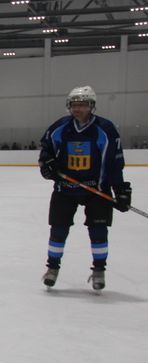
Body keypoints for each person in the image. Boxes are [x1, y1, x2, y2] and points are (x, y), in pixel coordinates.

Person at [38, 85, 131, 291]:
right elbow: (46, 151)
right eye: (74, 105)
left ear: (92, 106)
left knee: (98, 231)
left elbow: (115, 163)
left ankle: (99, 270)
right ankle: (52, 268)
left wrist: (120, 189)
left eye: (82, 105)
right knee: (58, 230)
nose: (77, 109)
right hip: (65, 189)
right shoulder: (59, 128)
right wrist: (47, 165)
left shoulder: (105, 129)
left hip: (96, 191)